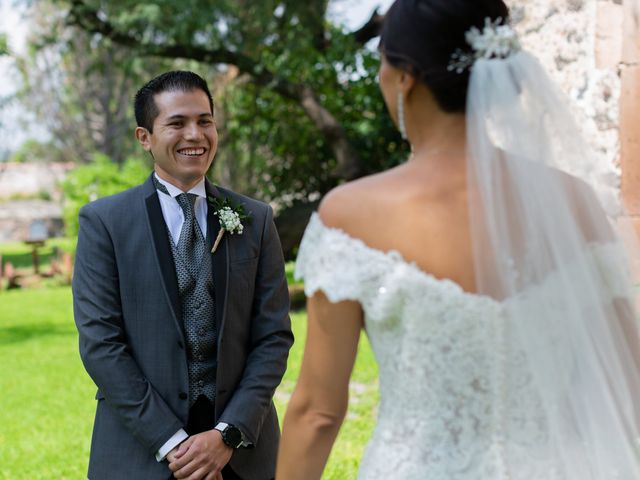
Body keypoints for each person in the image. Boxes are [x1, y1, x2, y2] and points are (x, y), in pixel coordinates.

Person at [276, 1, 640, 479]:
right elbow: (625, 381)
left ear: (404, 76)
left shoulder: (351, 215)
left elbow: (317, 414)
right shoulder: (576, 204)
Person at [73, 70, 293, 480]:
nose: (195, 134)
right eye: (177, 123)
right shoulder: (104, 223)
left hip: (241, 455)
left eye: (204, 121)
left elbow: (274, 336)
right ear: (145, 137)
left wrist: (226, 435)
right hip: (142, 453)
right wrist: (175, 444)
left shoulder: (256, 219)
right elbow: (102, 345)